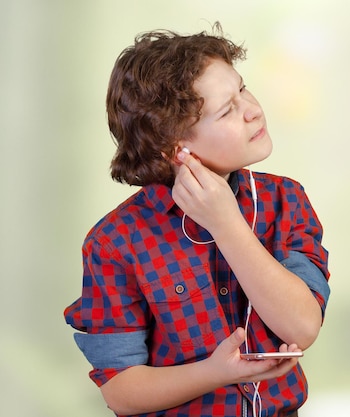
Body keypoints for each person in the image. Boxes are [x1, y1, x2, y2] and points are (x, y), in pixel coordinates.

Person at [64, 23, 330, 417]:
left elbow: (302, 327)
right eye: (227, 110)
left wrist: (226, 223)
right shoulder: (115, 241)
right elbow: (120, 392)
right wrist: (215, 372)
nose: (253, 110)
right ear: (177, 149)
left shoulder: (284, 200)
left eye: (241, 89)